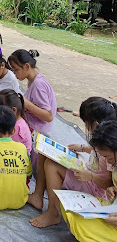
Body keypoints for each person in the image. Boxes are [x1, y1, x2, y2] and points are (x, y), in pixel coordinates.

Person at [28, 97, 115, 228]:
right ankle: (38, 195)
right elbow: (97, 152)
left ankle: (53, 213)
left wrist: (90, 176)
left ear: (96, 124)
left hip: (94, 186)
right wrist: (83, 148)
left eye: (86, 123)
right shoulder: (106, 141)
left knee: (51, 165)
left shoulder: (111, 152)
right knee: (43, 154)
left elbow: (109, 183)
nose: (86, 127)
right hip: (87, 174)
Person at [60, 120, 117, 242]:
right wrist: (112, 189)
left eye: (108, 157)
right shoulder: (114, 162)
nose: (108, 162)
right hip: (111, 210)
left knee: (81, 225)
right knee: (69, 210)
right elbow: (111, 185)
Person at [8, 49, 56, 133]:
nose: (14, 73)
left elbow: (48, 117)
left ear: (26, 66)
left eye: (16, 69)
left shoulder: (38, 84)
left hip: (37, 129)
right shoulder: (33, 79)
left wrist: (26, 104)